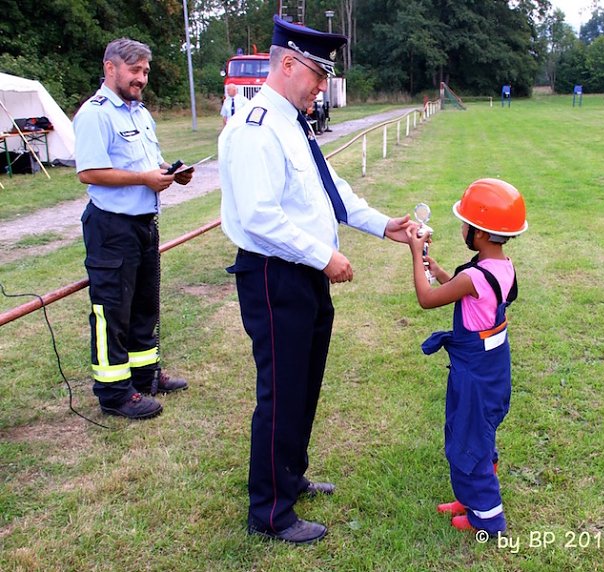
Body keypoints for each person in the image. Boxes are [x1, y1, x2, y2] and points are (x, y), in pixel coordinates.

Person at [218, 17, 418, 545]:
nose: (322, 86)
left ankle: (290, 475)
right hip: (274, 274)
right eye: (318, 74)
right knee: (281, 392)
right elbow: (260, 218)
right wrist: (324, 256)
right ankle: (270, 512)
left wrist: (382, 225)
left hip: (302, 273)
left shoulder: (294, 122)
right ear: (288, 64)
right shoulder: (256, 127)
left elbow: (327, 192)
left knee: (303, 384)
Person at [73, 38, 193, 420]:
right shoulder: (95, 114)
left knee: (144, 305)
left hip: (143, 224)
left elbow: (150, 165)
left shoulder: (139, 113)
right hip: (112, 227)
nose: (141, 78)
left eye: (145, 71)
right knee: (113, 310)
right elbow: (89, 172)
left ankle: (145, 377)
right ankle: (114, 394)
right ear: (111, 68)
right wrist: (143, 178)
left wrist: (172, 174)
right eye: (135, 70)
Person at [405, 178, 527, 534]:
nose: (462, 228)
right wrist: (434, 265)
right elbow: (460, 285)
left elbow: (427, 299)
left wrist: (416, 256)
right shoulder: (502, 267)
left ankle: (487, 518)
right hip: (493, 369)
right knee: (478, 433)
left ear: (482, 234)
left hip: (474, 373)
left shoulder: (474, 276)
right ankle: (470, 498)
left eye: (466, 224)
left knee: (469, 438)